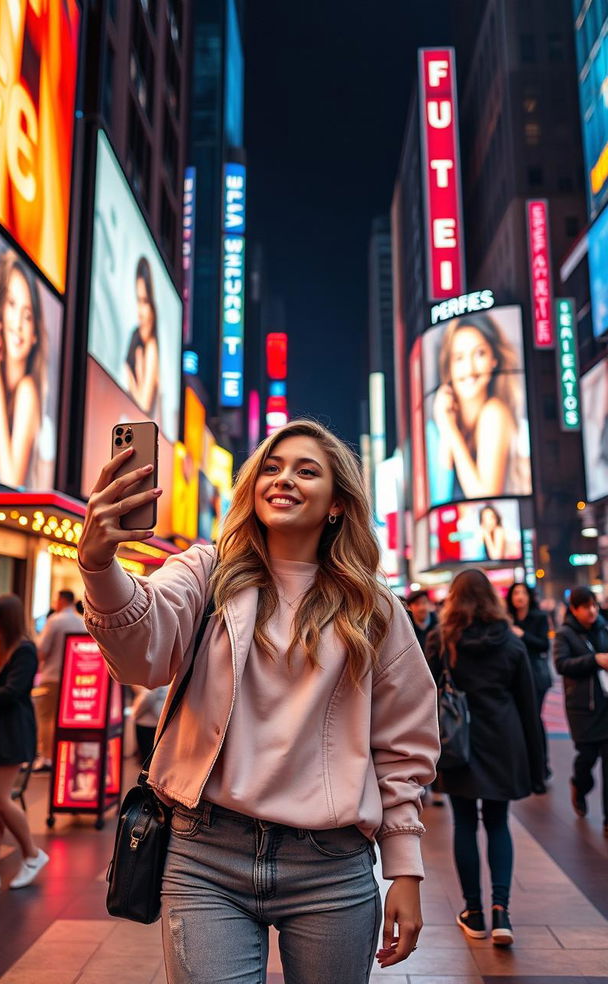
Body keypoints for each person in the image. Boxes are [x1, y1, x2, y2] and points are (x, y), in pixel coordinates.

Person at [78, 418, 440, 982]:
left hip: (331, 863)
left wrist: (406, 869)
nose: (283, 478)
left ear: (338, 503)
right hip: (204, 854)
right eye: (270, 467)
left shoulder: (374, 608)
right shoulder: (206, 571)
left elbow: (403, 747)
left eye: (306, 470)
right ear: (252, 487)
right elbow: (140, 657)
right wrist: (99, 566)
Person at [426, 569, 544, 947]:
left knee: (464, 824)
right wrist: (537, 767)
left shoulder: (442, 640)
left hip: (459, 743)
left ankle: (473, 912)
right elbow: (529, 707)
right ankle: (501, 912)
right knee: (497, 823)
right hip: (503, 742)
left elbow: (424, 698)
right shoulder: (511, 643)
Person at [0, 594, 49, 897]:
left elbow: (11, 694)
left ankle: (32, 853)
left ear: (6, 620)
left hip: (8, 734)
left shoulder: (24, 650)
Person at [428, 312, 531, 503]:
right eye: (459, 358)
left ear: (495, 360)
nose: (470, 369)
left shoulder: (494, 412)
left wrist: (449, 429)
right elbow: (438, 495)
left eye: (479, 353)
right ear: (448, 367)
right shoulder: (445, 420)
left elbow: (484, 498)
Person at [0, 250, 47, 488]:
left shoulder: (28, 391)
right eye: (12, 305)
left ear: (35, 333)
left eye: (27, 316)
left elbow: (10, 482)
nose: (17, 323)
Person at [553, 586, 608, 836]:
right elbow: (562, 664)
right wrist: (594, 660)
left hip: (605, 704)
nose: (592, 611)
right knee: (587, 758)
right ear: (574, 609)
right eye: (586, 606)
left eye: (594, 605)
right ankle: (579, 785)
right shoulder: (565, 634)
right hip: (583, 710)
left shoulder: (603, 627)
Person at [33, 589, 85, 772]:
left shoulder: (55, 620)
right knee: (67, 719)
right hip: (75, 678)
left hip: (52, 677)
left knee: (47, 718)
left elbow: (41, 650)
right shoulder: (81, 620)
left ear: (61, 600)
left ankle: (47, 757)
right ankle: (65, 757)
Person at [506, 582, 552, 779]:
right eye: (516, 593)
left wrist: (523, 634)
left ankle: (542, 766)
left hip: (536, 676)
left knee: (534, 718)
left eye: (523, 592)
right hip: (514, 677)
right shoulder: (507, 619)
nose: (520, 596)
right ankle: (526, 765)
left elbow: (544, 645)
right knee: (521, 720)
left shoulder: (539, 617)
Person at [124, 256, 160, 418]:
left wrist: (130, 378)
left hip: (142, 434)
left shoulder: (152, 346)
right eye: (138, 300)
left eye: (145, 301)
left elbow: (144, 405)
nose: (140, 311)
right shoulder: (135, 337)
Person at [131, 684, 170, 762]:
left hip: (147, 723)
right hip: (157, 722)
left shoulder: (151, 680)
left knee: (147, 755)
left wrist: (135, 714)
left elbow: (148, 696)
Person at [407, 589, 438, 654]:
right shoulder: (407, 628)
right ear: (409, 607)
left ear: (429, 604)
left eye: (424, 602)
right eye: (417, 604)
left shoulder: (439, 624)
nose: (421, 607)